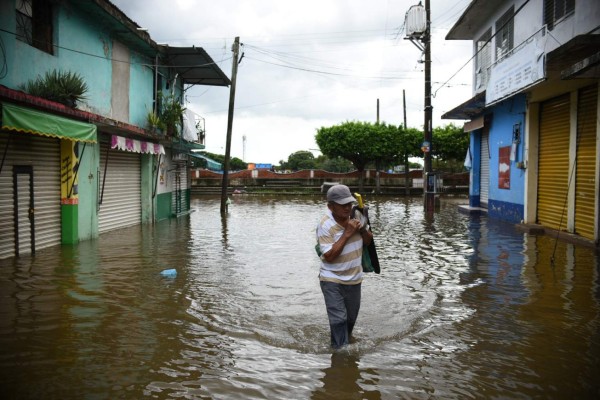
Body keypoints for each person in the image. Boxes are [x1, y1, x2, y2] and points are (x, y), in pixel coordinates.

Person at [316, 184, 372, 349]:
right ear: (330, 206)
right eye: (342, 205)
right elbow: (330, 257)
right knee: (338, 320)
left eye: (349, 203)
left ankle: (343, 344)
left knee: (350, 320)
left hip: (354, 279)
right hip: (332, 279)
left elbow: (368, 241)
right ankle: (340, 358)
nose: (347, 208)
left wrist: (362, 229)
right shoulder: (325, 225)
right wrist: (347, 233)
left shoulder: (357, 217)